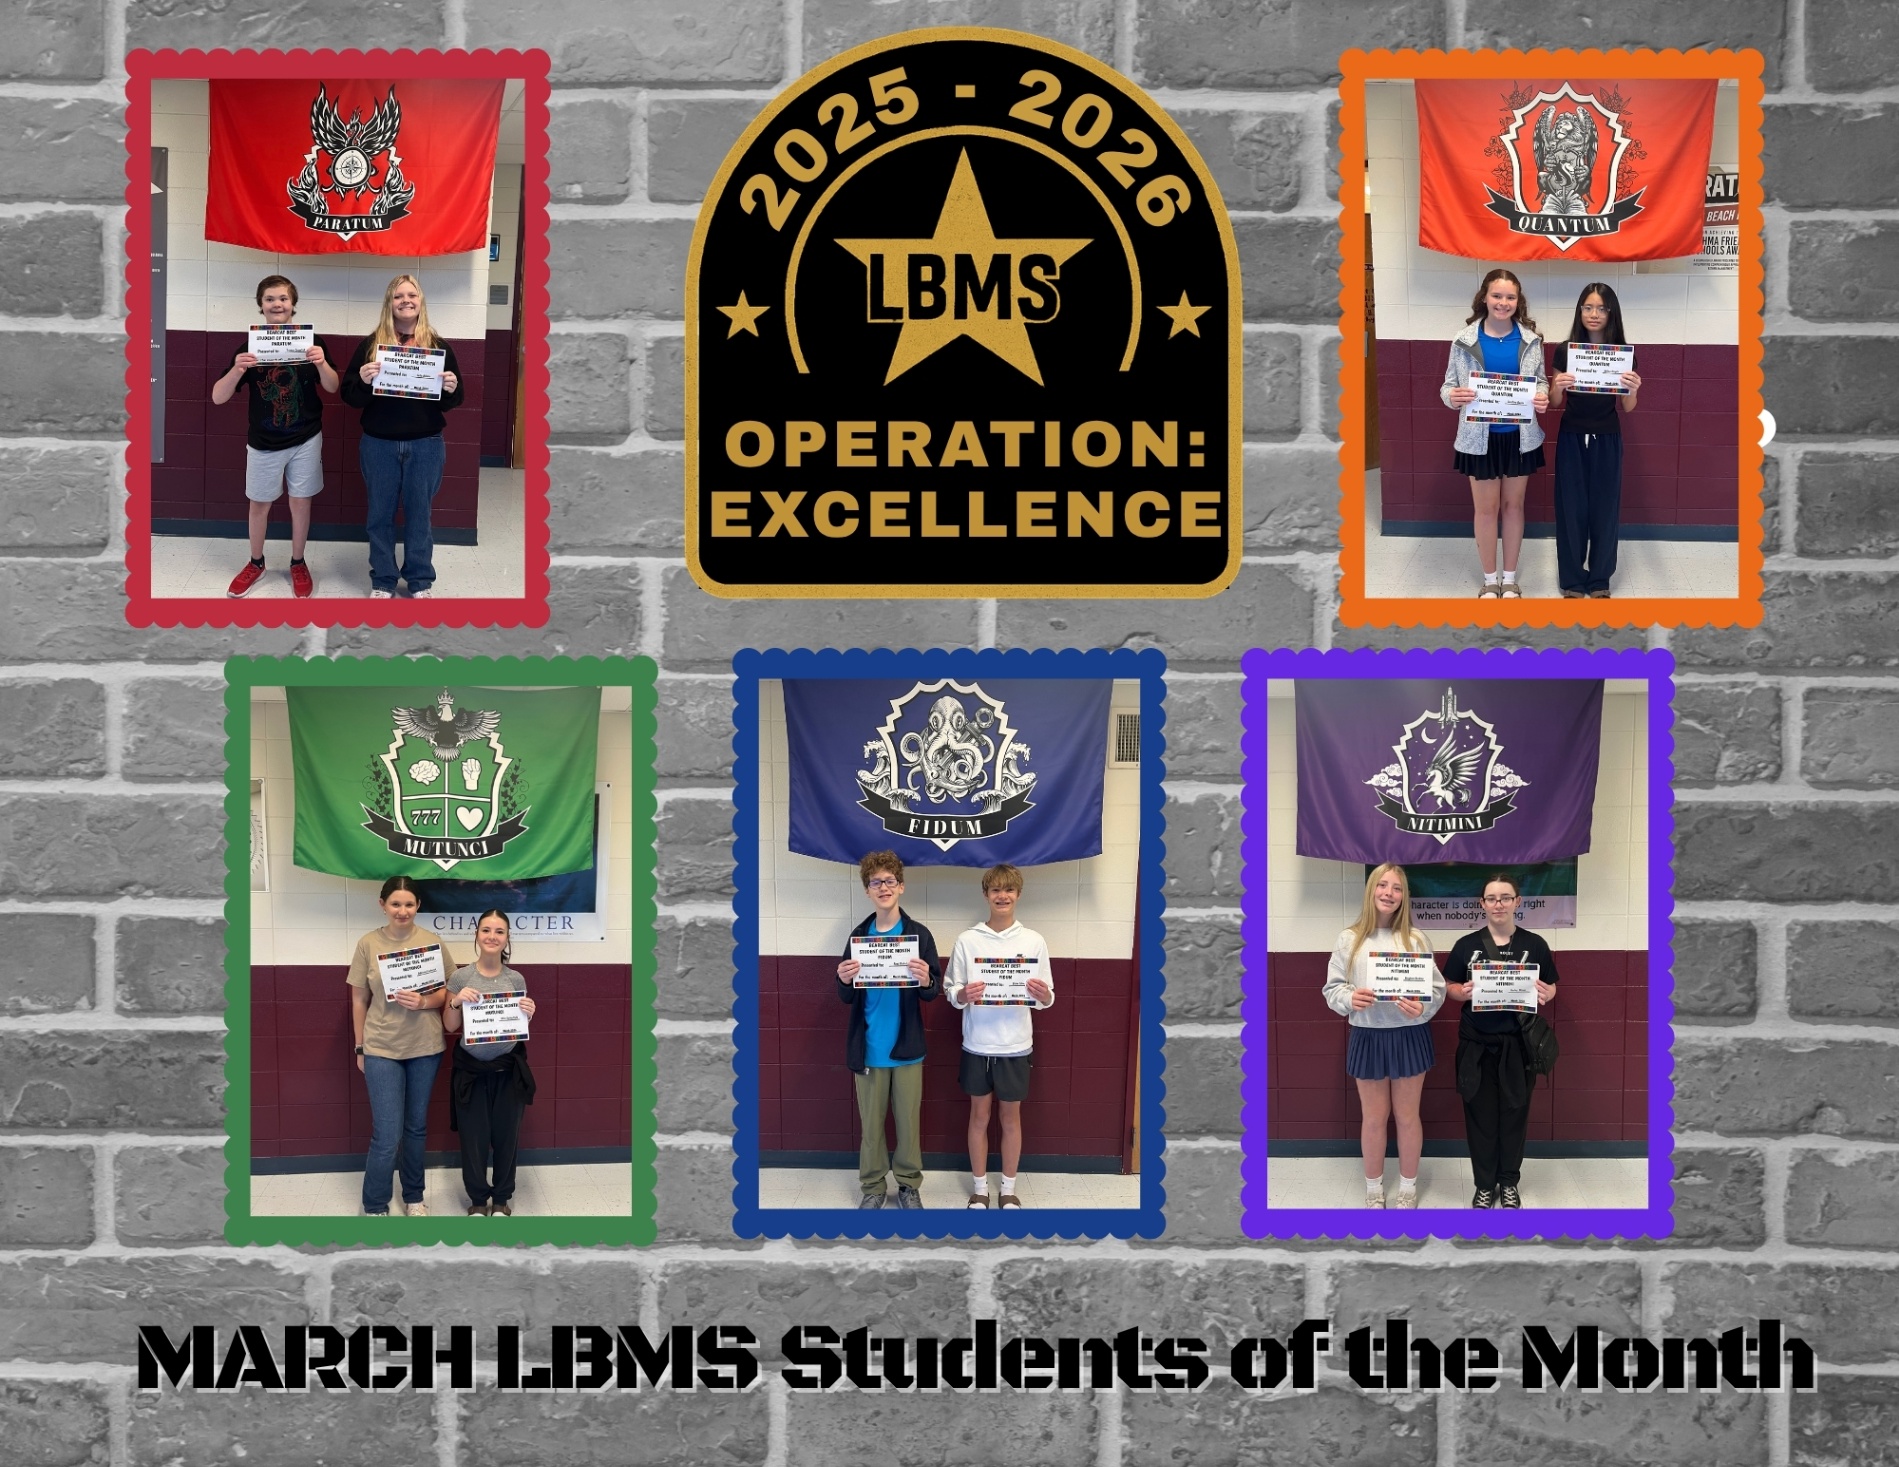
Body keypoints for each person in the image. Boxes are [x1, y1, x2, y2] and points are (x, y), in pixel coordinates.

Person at [1322, 864, 1442, 1208]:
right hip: (1368, 1035)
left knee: (1407, 1116)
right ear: (1371, 890)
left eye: (1398, 888)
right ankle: (1374, 1190)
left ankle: (1407, 1188)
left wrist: (1423, 1008)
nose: (1389, 893)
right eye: (1383, 885)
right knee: (1373, 1118)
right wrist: (1350, 998)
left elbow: (1434, 990)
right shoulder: (1350, 939)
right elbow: (1333, 989)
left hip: (1409, 1035)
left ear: (1405, 896)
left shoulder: (1416, 938)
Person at [339, 274, 465, 599]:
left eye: (412, 295)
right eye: (398, 296)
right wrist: (364, 381)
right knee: (379, 515)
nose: (405, 301)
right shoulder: (371, 347)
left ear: (421, 301)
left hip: (425, 444)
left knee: (420, 517)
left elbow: (454, 399)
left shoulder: (438, 347)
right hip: (379, 443)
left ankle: (420, 581)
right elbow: (350, 396)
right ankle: (383, 579)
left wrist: (451, 388)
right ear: (389, 304)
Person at [211, 274, 337, 598]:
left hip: (306, 438)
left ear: (293, 304)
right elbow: (218, 397)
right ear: (261, 306)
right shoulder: (249, 348)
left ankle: (298, 562)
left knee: (300, 502)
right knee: (259, 505)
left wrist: (322, 364)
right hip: (264, 441)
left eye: (283, 298)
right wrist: (237, 370)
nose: (277, 304)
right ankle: (256, 562)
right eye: (270, 299)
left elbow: (334, 386)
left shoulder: (312, 343)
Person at [1443, 873, 1560, 1209]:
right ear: (1482, 904)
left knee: (1514, 1115)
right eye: (1491, 898)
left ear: (1517, 902)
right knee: (1479, 1118)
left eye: (1505, 897)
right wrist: (1459, 992)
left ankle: (1508, 1181)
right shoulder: (1466, 945)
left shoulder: (1534, 943)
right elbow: (1450, 986)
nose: (1498, 904)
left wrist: (1548, 993)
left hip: (1517, 1047)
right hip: (1476, 1046)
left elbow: (1552, 987)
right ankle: (1483, 1184)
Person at [346, 876, 458, 1217]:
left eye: (409, 904)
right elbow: (358, 998)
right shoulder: (368, 944)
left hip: (425, 1045)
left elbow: (447, 991)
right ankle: (375, 1203)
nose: (403, 910)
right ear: (383, 905)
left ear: (418, 906)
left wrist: (424, 1002)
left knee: (416, 1127)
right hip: (381, 1047)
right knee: (387, 1133)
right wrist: (360, 1047)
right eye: (396, 903)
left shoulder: (432, 942)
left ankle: (414, 1197)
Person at [834, 852, 941, 1209]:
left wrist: (927, 979)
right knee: (871, 1127)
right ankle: (873, 1186)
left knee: (909, 1124)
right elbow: (846, 995)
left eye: (889, 881)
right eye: (876, 882)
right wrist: (842, 978)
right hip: (868, 1047)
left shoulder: (918, 935)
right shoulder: (859, 936)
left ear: (901, 887)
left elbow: (932, 990)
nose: (883, 888)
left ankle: (909, 1185)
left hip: (907, 1047)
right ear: (867, 890)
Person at [944, 864, 1054, 1210]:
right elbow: (951, 989)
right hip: (977, 1043)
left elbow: (1046, 996)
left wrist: (1043, 994)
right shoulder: (968, 939)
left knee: (1010, 1118)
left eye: (1008, 890)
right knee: (979, 1116)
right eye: (995, 890)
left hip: (1015, 1044)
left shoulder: (1033, 941)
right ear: (986, 895)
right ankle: (980, 1189)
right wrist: (963, 995)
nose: (1002, 896)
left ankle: (1008, 1189)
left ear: (1018, 895)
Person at [1441, 269, 1551, 598]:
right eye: (1497, 295)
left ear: (1519, 302)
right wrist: (1452, 397)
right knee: (1486, 510)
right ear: (1485, 298)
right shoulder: (1464, 340)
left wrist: (1542, 396)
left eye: (1510, 297)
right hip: (1479, 437)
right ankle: (1490, 581)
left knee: (1514, 507)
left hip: (1520, 437)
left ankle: (1511, 578)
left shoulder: (1532, 340)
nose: (1503, 302)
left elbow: (1541, 381)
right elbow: (1448, 386)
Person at [1548, 283, 1643, 599]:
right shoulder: (1565, 350)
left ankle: (1600, 578)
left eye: (1601, 308)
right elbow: (1554, 402)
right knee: (1571, 507)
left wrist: (1633, 388)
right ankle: (1573, 580)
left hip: (1608, 437)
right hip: (1572, 435)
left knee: (1605, 509)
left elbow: (1628, 407)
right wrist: (1558, 386)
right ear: (1579, 311)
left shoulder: (1623, 354)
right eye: (1587, 307)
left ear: (1611, 312)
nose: (1593, 314)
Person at [442, 909, 537, 1217]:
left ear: (507, 937)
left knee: (508, 1137)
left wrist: (528, 1012)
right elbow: (449, 1025)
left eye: (499, 931)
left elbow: (516, 1025)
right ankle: (478, 1200)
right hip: (472, 1072)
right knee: (473, 1140)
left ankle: (501, 1200)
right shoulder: (461, 977)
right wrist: (456, 1001)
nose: (492, 937)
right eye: (486, 930)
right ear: (477, 935)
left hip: (508, 1071)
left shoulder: (515, 978)